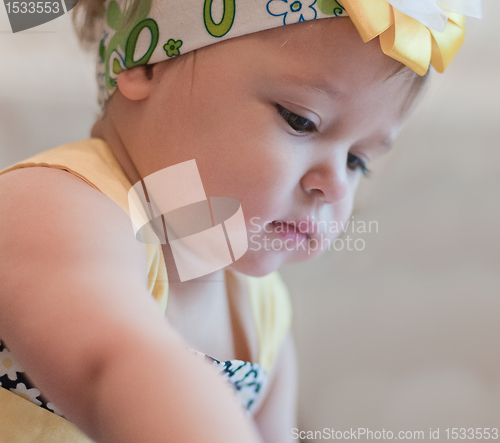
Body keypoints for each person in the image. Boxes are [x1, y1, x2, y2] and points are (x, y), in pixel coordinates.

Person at [0, 0, 480, 442]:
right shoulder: (54, 206)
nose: (334, 185)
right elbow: (117, 366)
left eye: (358, 161)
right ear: (146, 63)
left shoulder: (263, 318)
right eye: (301, 120)